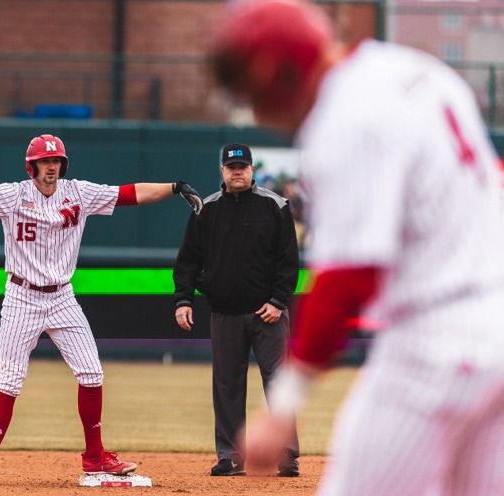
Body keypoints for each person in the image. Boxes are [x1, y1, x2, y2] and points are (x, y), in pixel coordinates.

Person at [209, 0, 504, 494]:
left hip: (435, 347)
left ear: (278, 73)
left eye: (251, 92)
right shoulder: (417, 69)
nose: (255, 110)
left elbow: (348, 280)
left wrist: (282, 409)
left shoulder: (343, 119)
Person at [0, 133, 203, 485]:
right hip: (22, 297)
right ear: (32, 166)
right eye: (45, 162)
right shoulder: (13, 195)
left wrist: (174, 186)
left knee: (92, 374)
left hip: (62, 296)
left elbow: (128, 193)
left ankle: (94, 458)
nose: (52, 166)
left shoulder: (77, 192)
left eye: (57, 161)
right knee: (10, 380)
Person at [172, 143, 301, 477]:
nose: (238, 171)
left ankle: (286, 454)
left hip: (268, 313)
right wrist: (184, 299)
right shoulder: (206, 210)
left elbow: (288, 262)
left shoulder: (275, 206)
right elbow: (187, 261)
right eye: (232, 167)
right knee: (228, 384)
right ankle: (230, 456)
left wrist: (278, 301)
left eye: (243, 166)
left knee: (278, 383)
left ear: (252, 169)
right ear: (222, 171)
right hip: (225, 313)